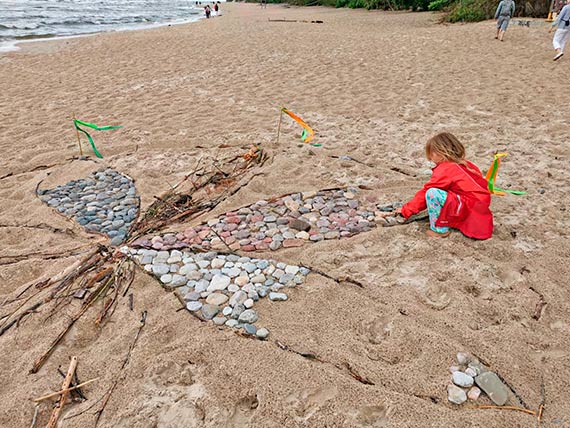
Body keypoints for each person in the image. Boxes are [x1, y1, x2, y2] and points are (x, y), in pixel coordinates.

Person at [395, 132, 493, 240]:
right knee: (444, 192)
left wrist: (406, 210)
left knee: (432, 193)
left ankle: (439, 230)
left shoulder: (446, 168)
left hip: (468, 207)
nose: (430, 158)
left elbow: (425, 193)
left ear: (441, 153)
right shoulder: (466, 164)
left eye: (431, 154)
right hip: (479, 206)